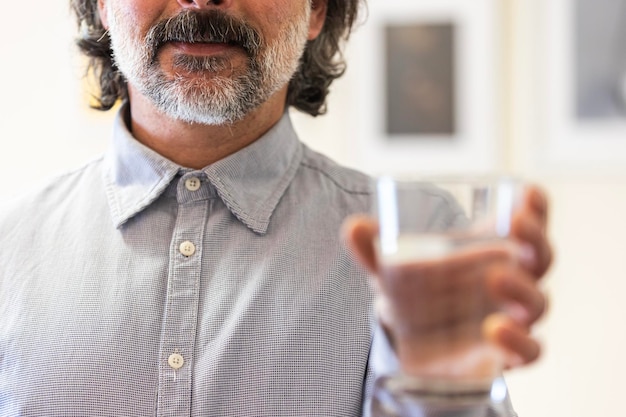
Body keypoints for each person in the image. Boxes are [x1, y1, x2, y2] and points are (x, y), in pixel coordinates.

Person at [0, 0, 551, 416]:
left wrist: (440, 387)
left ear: (316, 10)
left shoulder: (420, 242)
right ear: (100, 5)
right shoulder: (10, 247)